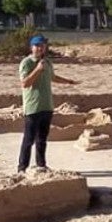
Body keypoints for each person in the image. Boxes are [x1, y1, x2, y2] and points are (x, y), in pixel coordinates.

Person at [18, 34, 78, 173]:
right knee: (29, 140)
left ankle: (41, 165)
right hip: (33, 107)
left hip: (47, 106)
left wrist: (69, 82)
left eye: (42, 45)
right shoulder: (26, 63)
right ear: (31, 47)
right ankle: (22, 168)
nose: (40, 48)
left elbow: (53, 77)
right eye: (37, 46)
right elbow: (25, 83)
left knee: (42, 139)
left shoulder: (48, 62)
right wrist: (38, 69)